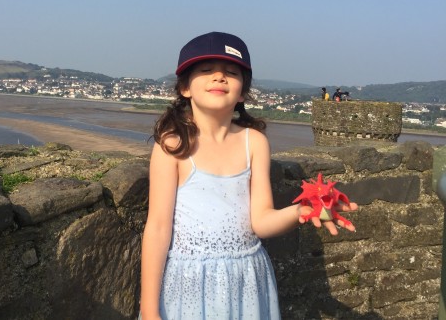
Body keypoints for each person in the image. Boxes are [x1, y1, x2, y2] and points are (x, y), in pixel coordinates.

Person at [140, 32, 357, 320]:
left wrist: (300, 211)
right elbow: (157, 229)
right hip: (189, 283)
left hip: (247, 279)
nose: (219, 78)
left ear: (242, 92)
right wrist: (150, 309)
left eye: (231, 72)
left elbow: (261, 221)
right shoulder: (173, 144)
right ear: (184, 88)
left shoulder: (254, 142)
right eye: (206, 71)